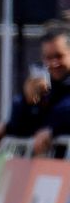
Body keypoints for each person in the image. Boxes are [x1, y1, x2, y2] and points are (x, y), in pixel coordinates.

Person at [26, 27, 70, 156]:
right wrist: (30, 102)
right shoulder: (49, 86)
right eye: (48, 58)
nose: (54, 63)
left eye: (59, 56)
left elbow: (65, 111)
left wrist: (53, 131)